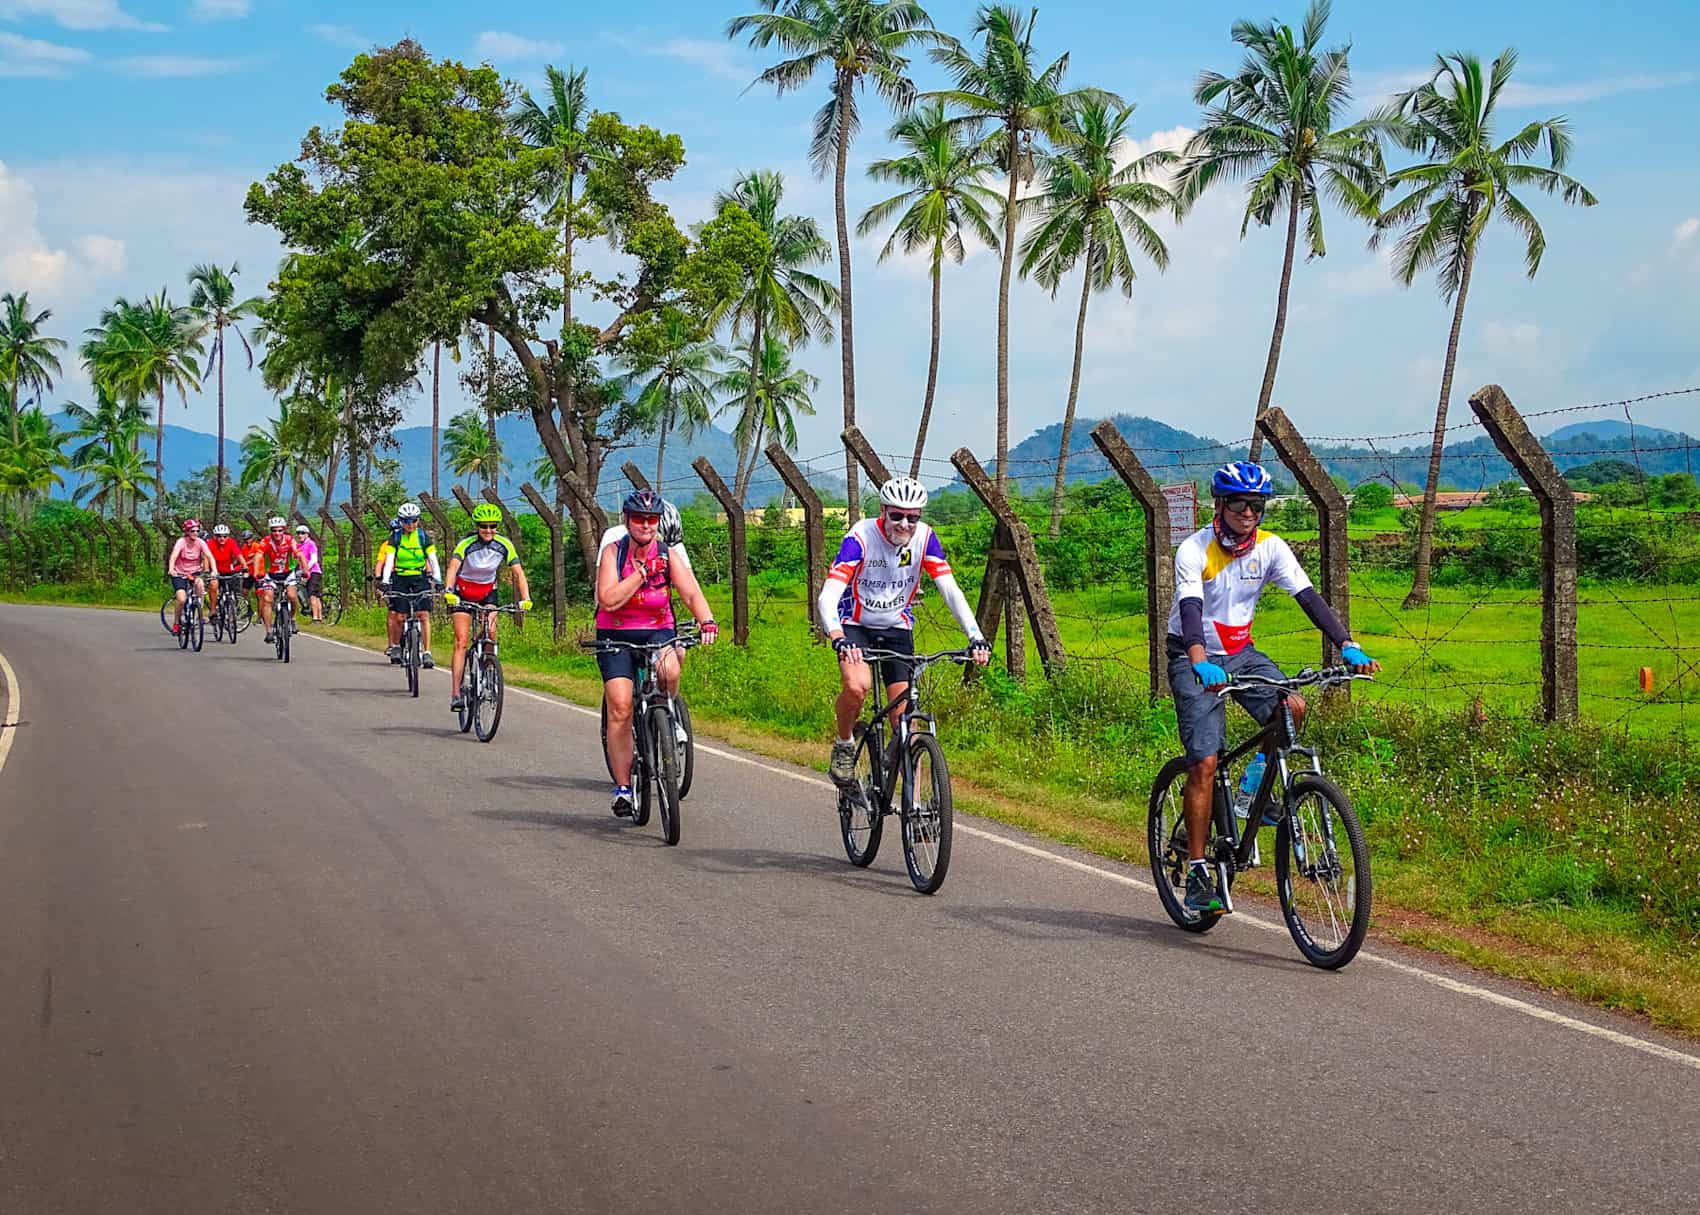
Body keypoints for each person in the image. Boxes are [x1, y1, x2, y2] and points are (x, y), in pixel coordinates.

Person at [1168, 461, 1379, 915]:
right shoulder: (1194, 549)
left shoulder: (1271, 548)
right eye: (1240, 504)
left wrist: (1348, 646)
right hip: (1194, 654)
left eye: (1257, 505)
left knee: (1292, 707)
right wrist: (1200, 662)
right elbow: (1189, 609)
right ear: (1220, 505)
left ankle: (1253, 791)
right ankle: (1201, 871)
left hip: (1242, 652)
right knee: (1204, 761)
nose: (1249, 513)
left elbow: (1308, 598)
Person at [819, 476, 991, 787]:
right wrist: (838, 637)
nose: (904, 525)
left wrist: (975, 636)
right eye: (896, 515)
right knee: (857, 686)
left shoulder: (925, 538)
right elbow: (827, 595)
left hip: (897, 626)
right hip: (856, 625)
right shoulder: (861, 536)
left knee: (905, 721)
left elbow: (950, 590)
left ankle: (916, 812)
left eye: (913, 517)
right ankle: (844, 744)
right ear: (882, 511)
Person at [595, 488, 717, 817]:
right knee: (619, 706)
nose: (646, 525)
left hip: (656, 628)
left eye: (651, 519)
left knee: (670, 670)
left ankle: (668, 711)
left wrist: (707, 620)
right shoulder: (612, 553)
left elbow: (691, 592)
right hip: (615, 632)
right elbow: (608, 599)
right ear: (627, 520)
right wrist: (642, 574)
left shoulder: (668, 554)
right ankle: (623, 788)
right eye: (639, 519)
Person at [442, 503, 533, 713]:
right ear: (477, 526)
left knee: (491, 631)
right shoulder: (466, 544)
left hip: (487, 592)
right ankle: (456, 693)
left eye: (493, 526)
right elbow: (453, 567)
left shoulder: (504, 544)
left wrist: (526, 598)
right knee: (461, 641)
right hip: (462, 592)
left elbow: (518, 573)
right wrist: (448, 591)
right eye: (484, 526)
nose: (489, 530)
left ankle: (488, 670)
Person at [378, 502, 440, 668]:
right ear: (401, 521)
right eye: (406, 521)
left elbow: (433, 559)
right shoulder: (396, 537)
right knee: (399, 616)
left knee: (424, 615)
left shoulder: (423, 536)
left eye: (413, 520)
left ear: (418, 520)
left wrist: (438, 580)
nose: (410, 524)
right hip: (401, 577)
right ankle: (397, 646)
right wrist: (385, 581)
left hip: (419, 577)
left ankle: (427, 652)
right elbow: (390, 559)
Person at [597, 497, 693, 572]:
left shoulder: (673, 543)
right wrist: (645, 571)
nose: (662, 547)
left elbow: (691, 587)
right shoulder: (614, 537)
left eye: (652, 520)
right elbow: (601, 590)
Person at [250, 516, 303, 644]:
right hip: (271, 574)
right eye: (274, 530)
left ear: (284, 530)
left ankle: (293, 618)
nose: (277, 533)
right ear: (270, 531)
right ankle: (269, 631)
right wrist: (257, 573)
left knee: (292, 595)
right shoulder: (266, 541)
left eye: (280, 530)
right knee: (267, 599)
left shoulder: (290, 540)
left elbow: (299, 554)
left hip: (288, 573)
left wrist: (306, 570)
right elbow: (258, 556)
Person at [166, 519, 218, 636]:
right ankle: (176, 622)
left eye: (197, 531)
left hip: (195, 572)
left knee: (200, 585)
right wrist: (171, 569)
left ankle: (198, 612)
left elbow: (210, 556)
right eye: (192, 531)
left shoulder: (200, 542)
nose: (195, 533)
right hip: (180, 573)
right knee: (181, 599)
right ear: (187, 532)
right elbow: (174, 556)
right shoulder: (181, 542)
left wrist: (214, 570)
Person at [203, 523, 245, 616]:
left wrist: (245, 567)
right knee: (213, 586)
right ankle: (213, 610)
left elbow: (239, 555)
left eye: (225, 536)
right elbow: (206, 557)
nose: (222, 539)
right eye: (219, 536)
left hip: (228, 571)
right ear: (215, 536)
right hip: (215, 571)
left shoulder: (231, 542)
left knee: (233, 587)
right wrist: (206, 570)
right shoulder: (210, 543)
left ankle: (232, 606)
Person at [293, 523, 324, 622]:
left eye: (302, 533)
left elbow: (314, 559)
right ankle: (319, 617)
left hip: (314, 571)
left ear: (307, 534)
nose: (300, 535)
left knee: (312, 595)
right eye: (298, 533)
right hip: (304, 572)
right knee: (310, 594)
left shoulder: (311, 544)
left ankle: (315, 617)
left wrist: (305, 569)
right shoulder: (299, 546)